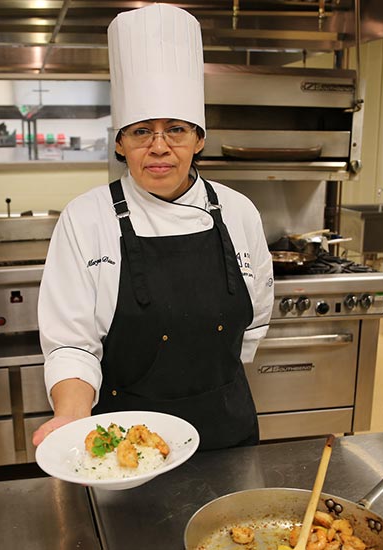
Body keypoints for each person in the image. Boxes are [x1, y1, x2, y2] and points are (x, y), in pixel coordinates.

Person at [32, 4, 273, 451]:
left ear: (199, 139)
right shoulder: (86, 217)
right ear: (120, 143)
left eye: (176, 130)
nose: (159, 147)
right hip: (125, 442)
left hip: (226, 428)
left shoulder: (240, 212)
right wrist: (70, 413)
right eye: (142, 131)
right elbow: (71, 344)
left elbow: (255, 322)